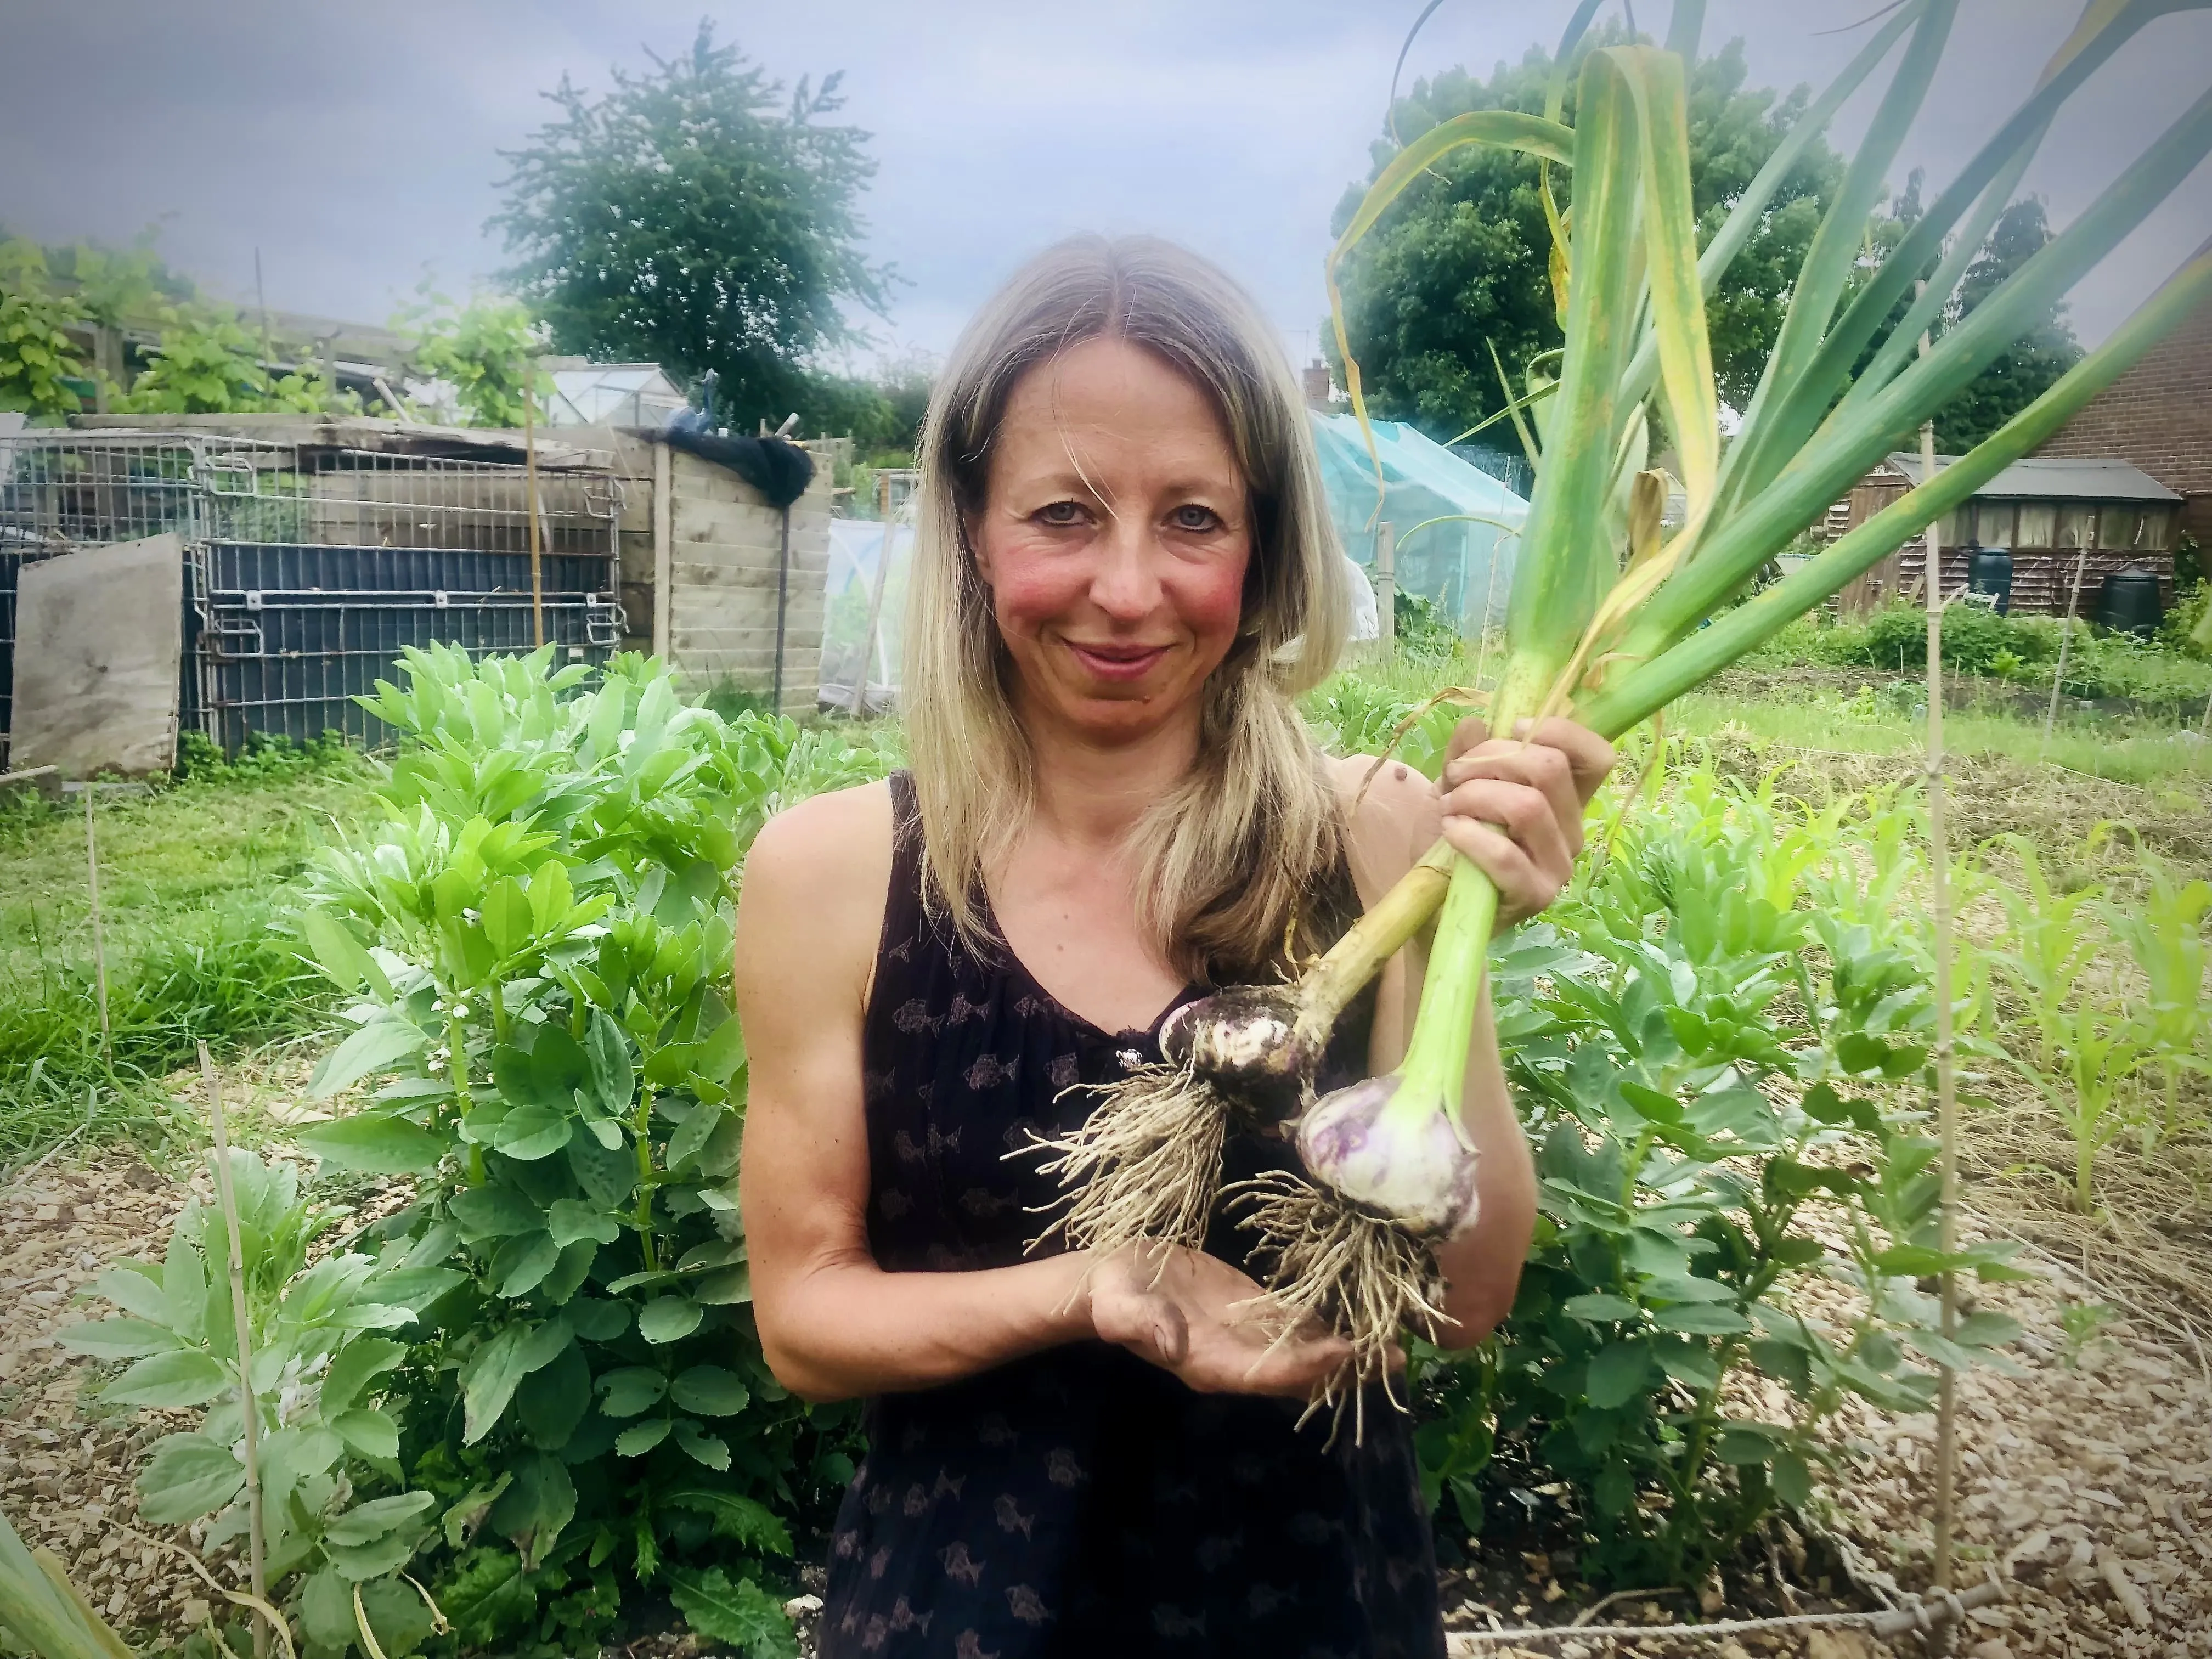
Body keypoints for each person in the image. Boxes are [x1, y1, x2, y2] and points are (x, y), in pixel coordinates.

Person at [735, 235, 1615, 1658]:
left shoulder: (1374, 837)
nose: (1130, 588)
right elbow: (804, 1318)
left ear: (1264, 548)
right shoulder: (836, 875)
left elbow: (1461, 1305)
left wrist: (1466, 929)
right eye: (1064, 514)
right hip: (967, 1612)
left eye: (1194, 518)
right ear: (970, 529)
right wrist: (1098, 1290)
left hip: (1313, 1610)